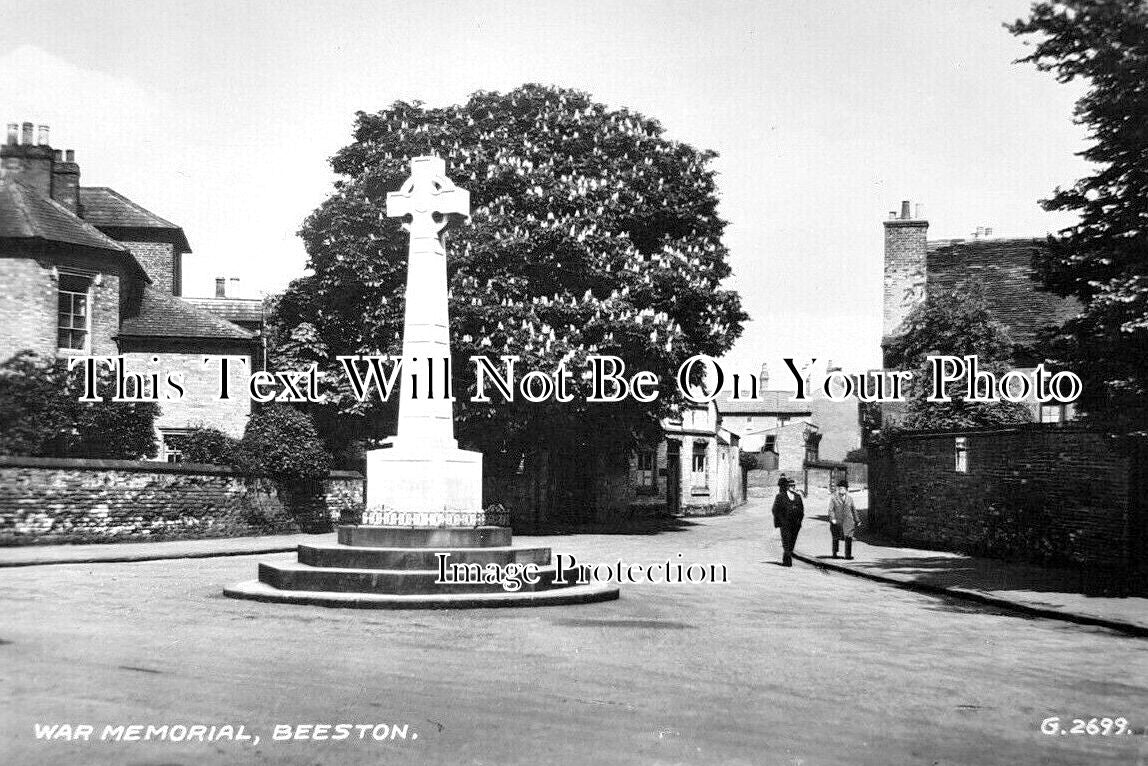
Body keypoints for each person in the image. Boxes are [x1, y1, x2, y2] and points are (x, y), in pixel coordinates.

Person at [771, 475, 804, 566]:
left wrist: (799, 521)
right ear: (787, 486)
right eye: (791, 485)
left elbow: (801, 510)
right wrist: (780, 521)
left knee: (792, 542)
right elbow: (775, 509)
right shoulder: (780, 496)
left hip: (795, 524)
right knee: (786, 541)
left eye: (794, 485)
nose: (793, 487)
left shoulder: (798, 497)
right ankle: (788, 560)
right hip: (785, 524)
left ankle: (786, 557)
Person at [827, 478, 861, 559]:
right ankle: (835, 553)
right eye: (840, 488)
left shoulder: (850, 499)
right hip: (837, 522)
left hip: (848, 522)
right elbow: (830, 510)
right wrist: (832, 519)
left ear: (846, 490)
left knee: (849, 538)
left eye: (842, 488)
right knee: (836, 537)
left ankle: (848, 555)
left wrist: (857, 520)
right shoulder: (833, 498)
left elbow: (854, 510)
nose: (841, 490)